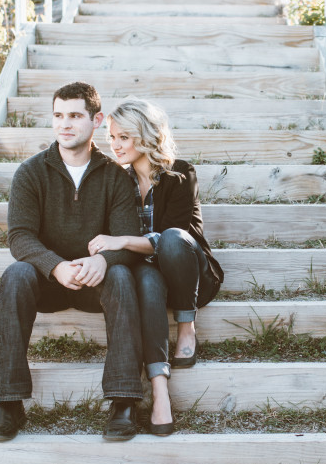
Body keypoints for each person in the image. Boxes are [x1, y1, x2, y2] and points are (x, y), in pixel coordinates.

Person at [0, 82, 146, 443]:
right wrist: (55, 265)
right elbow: (20, 237)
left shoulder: (116, 176)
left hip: (94, 281)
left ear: (96, 120)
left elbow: (126, 236)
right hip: (47, 281)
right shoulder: (31, 172)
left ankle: (123, 399)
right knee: (15, 274)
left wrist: (105, 261)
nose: (65, 124)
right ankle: (9, 402)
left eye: (74, 115)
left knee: (121, 275)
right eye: (58, 115)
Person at [88, 98, 224, 436]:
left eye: (123, 137)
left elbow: (178, 237)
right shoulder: (117, 181)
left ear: (145, 136)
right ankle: (160, 392)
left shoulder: (181, 173)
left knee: (173, 239)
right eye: (111, 136)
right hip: (146, 273)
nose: (114, 145)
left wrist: (120, 241)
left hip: (187, 274)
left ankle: (186, 326)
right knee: (146, 282)